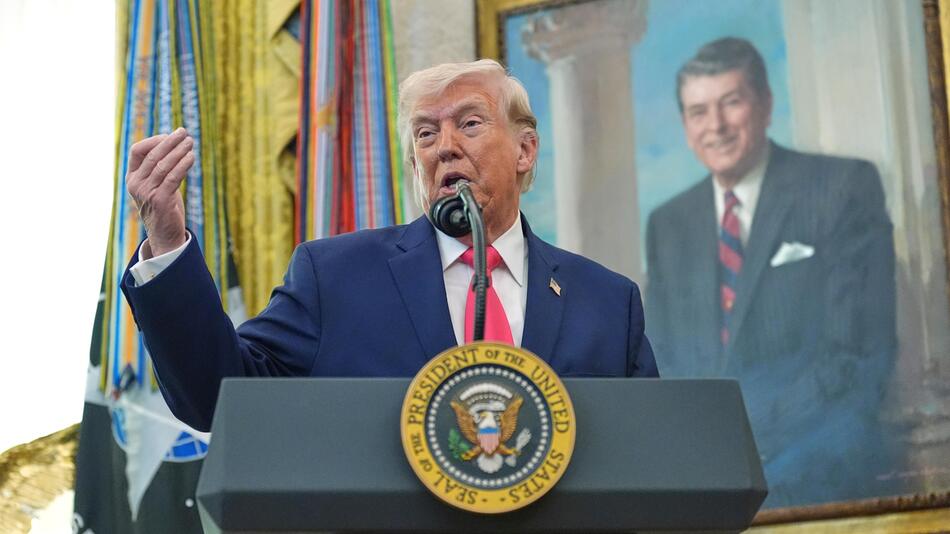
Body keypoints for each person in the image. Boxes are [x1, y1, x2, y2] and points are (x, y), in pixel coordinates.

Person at [122, 59, 658, 433]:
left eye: (469, 124)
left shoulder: (609, 303)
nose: (445, 147)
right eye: (425, 134)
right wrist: (166, 242)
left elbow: (649, 452)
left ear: (525, 150)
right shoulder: (335, 278)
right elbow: (220, 396)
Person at [645, 38, 897, 507]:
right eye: (698, 112)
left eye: (731, 102)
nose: (716, 126)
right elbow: (664, 362)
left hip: (821, 464)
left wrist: (742, 432)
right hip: (708, 473)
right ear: (685, 125)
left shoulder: (842, 188)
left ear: (765, 104)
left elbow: (855, 356)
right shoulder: (668, 224)